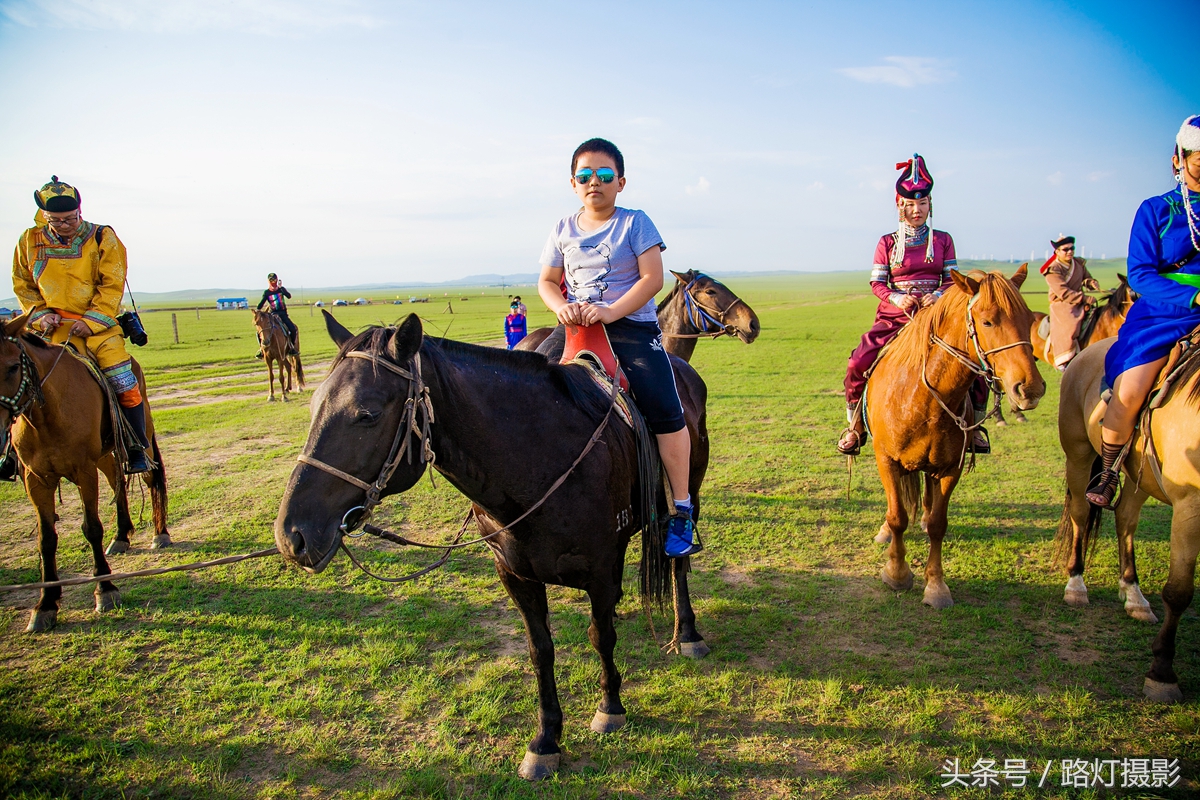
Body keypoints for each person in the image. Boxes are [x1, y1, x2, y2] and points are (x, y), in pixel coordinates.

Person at [536, 137, 700, 558]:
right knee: (525, 383)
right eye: (585, 175)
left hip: (630, 328)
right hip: (575, 328)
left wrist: (610, 311)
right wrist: (561, 307)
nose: (595, 181)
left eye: (605, 174)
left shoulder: (635, 223)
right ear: (573, 183)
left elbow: (652, 279)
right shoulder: (562, 228)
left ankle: (681, 509)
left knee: (667, 411)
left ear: (620, 182)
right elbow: (547, 282)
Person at [837, 154, 990, 456]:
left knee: (977, 361)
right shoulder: (887, 242)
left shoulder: (943, 240)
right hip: (896, 317)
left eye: (922, 203)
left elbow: (952, 279)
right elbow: (878, 283)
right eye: (909, 204)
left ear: (930, 204)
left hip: (937, 316)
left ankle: (974, 428)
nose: (916, 210)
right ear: (899, 206)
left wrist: (939, 295)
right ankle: (855, 426)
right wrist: (897, 297)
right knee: (858, 362)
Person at [1087, 115, 1200, 508]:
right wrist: (1193, 297)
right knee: (1131, 391)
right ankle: (1108, 471)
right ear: (1178, 160)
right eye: (1199, 161)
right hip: (1164, 314)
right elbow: (1139, 274)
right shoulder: (1156, 210)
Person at [11, 176, 152, 473]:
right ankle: (10, 452)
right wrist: (40, 314)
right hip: (48, 330)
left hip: (99, 329)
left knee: (122, 378)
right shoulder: (29, 240)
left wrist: (91, 321)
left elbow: (112, 284)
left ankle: (135, 445)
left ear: (79, 211)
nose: (64, 225)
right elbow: (23, 284)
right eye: (56, 220)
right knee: (13, 376)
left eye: (70, 218)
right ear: (44, 215)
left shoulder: (102, 237)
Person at [1041, 234, 1100, 370]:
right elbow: (1063, 292)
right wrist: (1084, 298)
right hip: (1062, 304)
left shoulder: (1078, 264)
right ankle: (1064, 360)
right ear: (1057, 251)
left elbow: (1086, 278)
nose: (1070, 252)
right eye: (1065, 249)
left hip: (1079, 301)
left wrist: (1091, 283)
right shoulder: (1053, 269)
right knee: (1069, 326)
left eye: (1072, 248)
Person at [256, 272, 298, 357]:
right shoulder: (267, 292)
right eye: (271, 280)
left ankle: (291, 347)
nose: (273, 282)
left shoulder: (281, 290)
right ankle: (261, 349)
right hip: (272, 315)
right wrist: (257, 310)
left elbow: (289, 296)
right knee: (260, 331)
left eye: (274, 280)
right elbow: (261, 303)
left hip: (283, 314)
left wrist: (281, 288)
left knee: (293, 329)